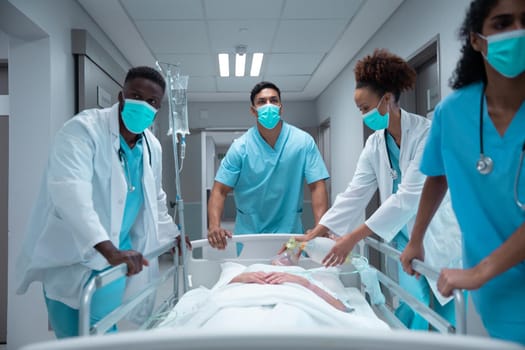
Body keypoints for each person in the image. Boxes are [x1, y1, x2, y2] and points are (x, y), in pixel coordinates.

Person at [292, 49, 462, 330]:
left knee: (446, 315)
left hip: (436, 236)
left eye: (365, 108)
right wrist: (318, 231)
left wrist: (352, 237)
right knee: (414, 305)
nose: (363, 115)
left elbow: (407, 198)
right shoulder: (374, 144)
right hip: (404, 240)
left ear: (386, 100)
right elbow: (354, 193)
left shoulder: (426, 134)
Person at [16, 66, 190, 338]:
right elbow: (71, 192)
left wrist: (173, 235)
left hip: (118, 254)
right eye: (136, 95)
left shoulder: (151, 146)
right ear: (121, 96)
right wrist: (107, 248)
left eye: (152, 101)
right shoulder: (82, 130)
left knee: (99, 331)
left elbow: (155, 199)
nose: (143, 105)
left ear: (159, 108)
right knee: (72, 334)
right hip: (73, 256)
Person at [400, 0, 525, 344]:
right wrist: (416, 239)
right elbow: (437, 173)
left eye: (524, 21)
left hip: (483, 275)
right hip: (493, 292)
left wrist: (478, 272)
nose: (517, 32)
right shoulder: (453, 113)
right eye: (502, 23)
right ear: (476, 39)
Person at [207, 81, 330, 250]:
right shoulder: (240, 147)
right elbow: (219, 190)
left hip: (290, 234)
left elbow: (317, 185)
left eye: (274, 100)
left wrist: (320, 227)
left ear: (281, 107)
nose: (269, 105)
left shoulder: (302, 142)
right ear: (253, 110)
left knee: (291, 276)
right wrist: (214, 226)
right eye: (262, 102)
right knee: (251, 276)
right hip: (249, 236)